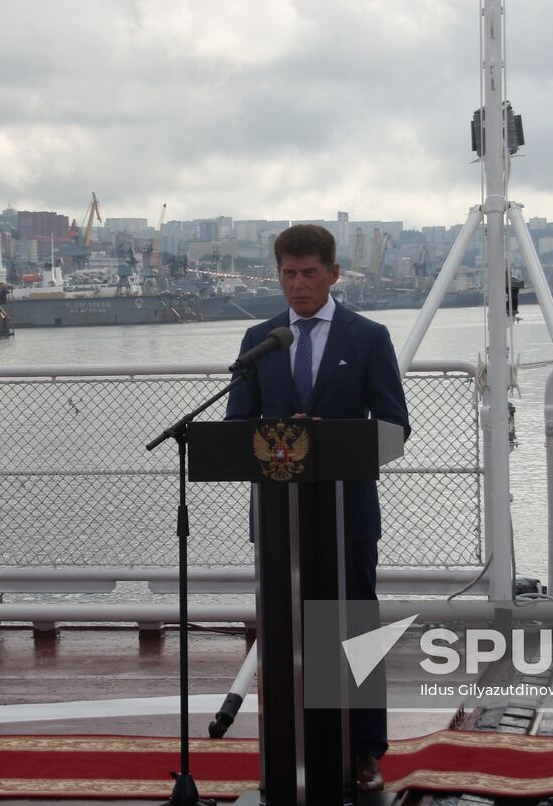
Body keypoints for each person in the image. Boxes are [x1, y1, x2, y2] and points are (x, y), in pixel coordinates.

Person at [225, 223, 410, 793]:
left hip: (345, 516)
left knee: (351, 631)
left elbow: (396, 429)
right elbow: (237, 428)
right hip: (280, 522)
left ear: (334, 273)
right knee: (283, 634)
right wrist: (279, 435)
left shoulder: (368, 336)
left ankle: (363, 752)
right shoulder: (261, 339)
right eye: (288, 273)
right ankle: (288, 747)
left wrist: (334, 437)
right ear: (276, 273)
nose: (298, 284)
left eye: (309, 273)